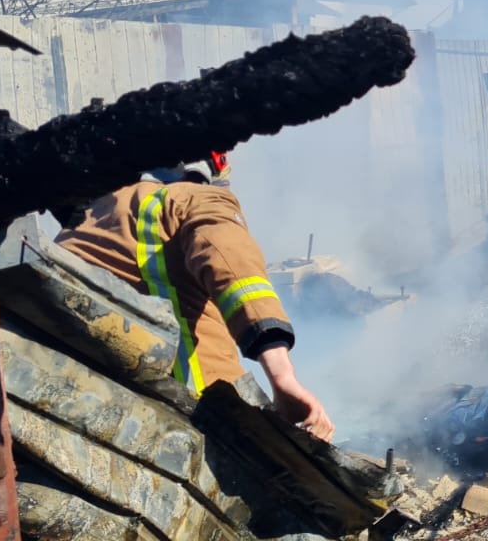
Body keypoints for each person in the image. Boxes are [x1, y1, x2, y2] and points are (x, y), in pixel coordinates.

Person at [56, 152, 335, 441]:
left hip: (84, 402)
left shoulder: (86, 219)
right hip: (187, 417)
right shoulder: (196, 198)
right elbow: (237, 272)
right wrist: (282, 376)